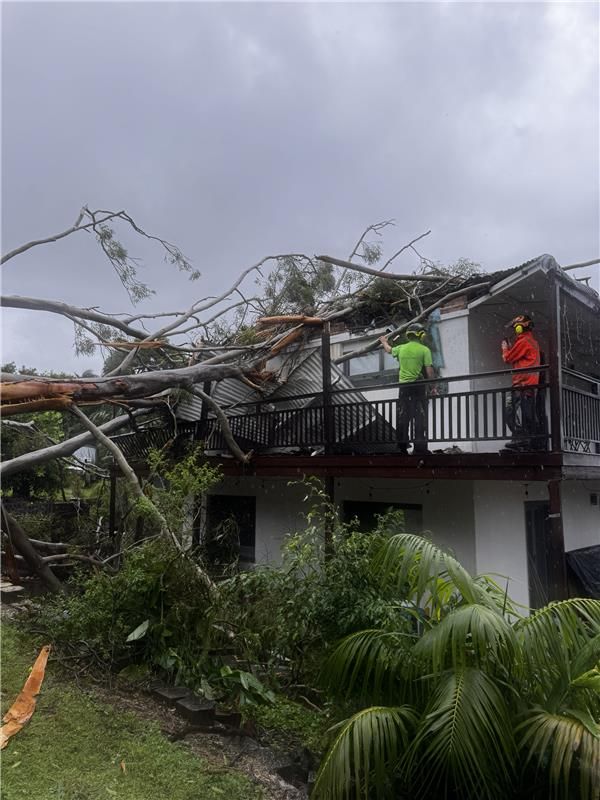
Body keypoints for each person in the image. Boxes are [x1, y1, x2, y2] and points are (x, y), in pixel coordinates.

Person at [380, 323, 436, 455]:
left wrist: (383, 341)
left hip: (404, 388)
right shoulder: (424, 350)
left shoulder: (401, 348)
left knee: (403, 417)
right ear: (420, 335)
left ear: (408, 335)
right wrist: (433, 387)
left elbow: (388, 350)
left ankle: (401, 448)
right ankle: (420, 448)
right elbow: (429, 371)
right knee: (420, 417)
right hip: (418, 387)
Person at [501, 314, 541, 452]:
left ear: (520, 327)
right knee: (527, 413)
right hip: (530, 384)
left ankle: (520, 437)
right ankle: (527, 441)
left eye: (516, 327)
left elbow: (508, 358)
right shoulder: (532, 342)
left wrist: (505, 348)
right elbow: (519, 357)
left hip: (522, 384)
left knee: (509, 410)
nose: (515, 330)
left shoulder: (523, 341)